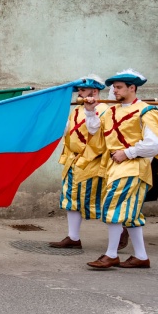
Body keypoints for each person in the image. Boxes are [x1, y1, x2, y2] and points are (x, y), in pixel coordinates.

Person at [83, 70, 158, 270]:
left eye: (118, 87)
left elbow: (156, 144)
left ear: (132, 88)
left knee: (112, 207)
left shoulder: (146, 111)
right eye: (113, 87)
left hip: (133, 167)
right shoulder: (112, 111)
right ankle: (141, 257)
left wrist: (128, 153)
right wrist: (90, 111)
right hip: (115, 166)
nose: (114, 91)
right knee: (130, 214)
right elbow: (93, 130)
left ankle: (111, 254)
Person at [50, 76, 111, 249]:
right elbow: (66, 130)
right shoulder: (77, 110)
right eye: (79, 91)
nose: (80, 94)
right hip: (74, 161)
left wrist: (90, 111)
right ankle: (73, 237)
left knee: (97, 200)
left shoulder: (105, 110)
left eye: (83, 91)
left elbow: (95, 131)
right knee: (72, 199)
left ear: (95, 91)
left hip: (93, 161)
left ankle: (121, 230)